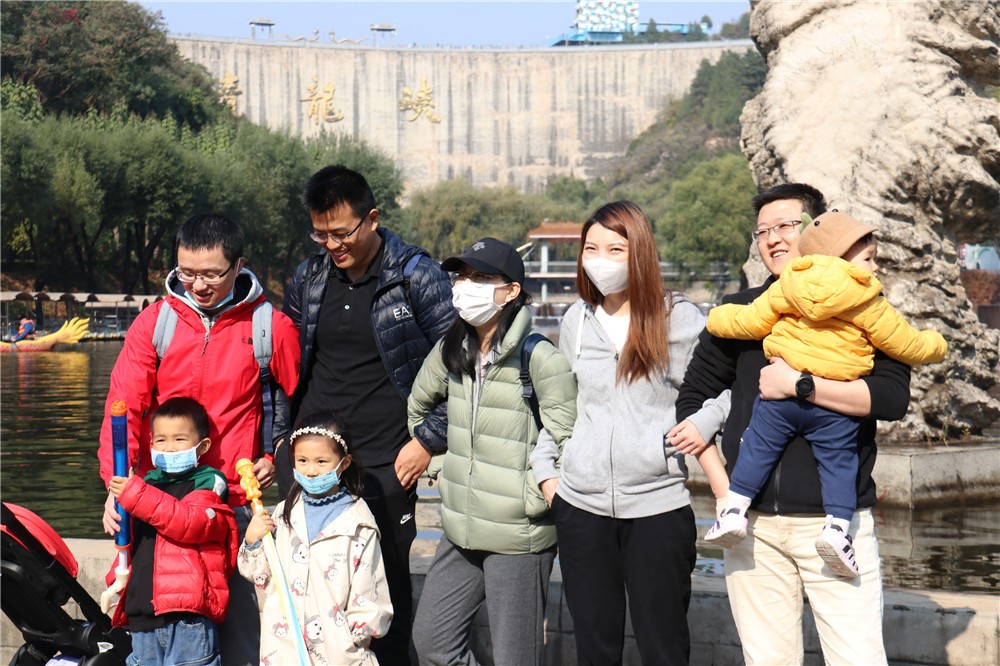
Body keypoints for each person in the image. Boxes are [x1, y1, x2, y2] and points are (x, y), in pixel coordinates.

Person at [676, 183, 912, 665]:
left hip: (836, 524)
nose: (773, 238)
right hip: (752, 528)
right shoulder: (742, 312)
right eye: (762, 231)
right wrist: (722, 489)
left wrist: (802, 386)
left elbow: (892, 398)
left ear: (818, 230)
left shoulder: (865, 308)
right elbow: (691, 399)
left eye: (786, 225)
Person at [99, 213, 301, 666]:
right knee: (157, 637)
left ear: (239, 265)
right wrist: (116, 485)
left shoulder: (270, 328)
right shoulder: (156, 324)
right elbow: (123, 409)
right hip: (160, 502)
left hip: (234, 503)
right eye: (186, 272)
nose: (198, 285)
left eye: (211, 274)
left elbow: (298, 403)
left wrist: (276, 453)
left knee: (243, 640)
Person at [704, 210, 947, 576]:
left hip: (779, 403)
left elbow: (748, 321)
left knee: (758, 445)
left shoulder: (788, 285)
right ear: (842, 257)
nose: (875, 267)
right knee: (839, 463)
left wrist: (715, 317)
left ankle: (734, 510)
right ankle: (836, 529)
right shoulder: (868, 300)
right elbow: (908, 345)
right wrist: (937, 344)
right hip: (834, 408)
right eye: (869, 258)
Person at [540, 201, 730, 665]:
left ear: (639, 253)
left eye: (615, 249)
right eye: (591, 249)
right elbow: (563, 407)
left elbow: (731, 387)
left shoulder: (677, 318)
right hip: (580, 508)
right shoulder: (576, 320)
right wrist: (546, 474)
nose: (599, 260)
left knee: (663, 650)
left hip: (657, 509)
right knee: (595, 651)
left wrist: (703, 422)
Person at [282, 165, 454, 664]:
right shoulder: (310, 276)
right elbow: (286, 367)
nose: (331, 245)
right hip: (313, 459)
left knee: (385, 594)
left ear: (372, 218)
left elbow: (461, 367)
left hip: (387, 460)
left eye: (341, 233)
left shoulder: (416, 276)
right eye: (320, 234)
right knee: (307, 591)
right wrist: (279, 443)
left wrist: (427, 441)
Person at [408, 238, 578, 666]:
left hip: (518, 538)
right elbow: (417, 408)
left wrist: (532, 494)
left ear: (511, 291)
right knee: (432, 643)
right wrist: (445, 468)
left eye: (481, 277)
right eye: (463, 276)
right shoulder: (451, 349)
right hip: (460, 529)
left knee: (514, 659)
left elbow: (568, 438)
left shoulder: (540, 358)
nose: (466, 285)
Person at [240, 412, 392, 666]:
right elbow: (262, 577)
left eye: (321, 461)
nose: (310, 471)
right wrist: (253, 541)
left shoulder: (358, 522)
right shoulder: (284, 513)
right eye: (302, 461)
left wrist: (350, 641)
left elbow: (369, 590)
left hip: (338, 655)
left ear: (344, 463)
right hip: (283, 651)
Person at [107, 397, 238, 666]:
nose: (169, 447)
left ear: (203, 446)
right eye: (161, 440)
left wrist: (135, 494)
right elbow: (135, 543)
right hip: (142, 612)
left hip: (187, 613)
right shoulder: (146, 485)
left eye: (179, 440)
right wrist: (117, 579)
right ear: (151, 443)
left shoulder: (210, 482)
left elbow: (189, 523)